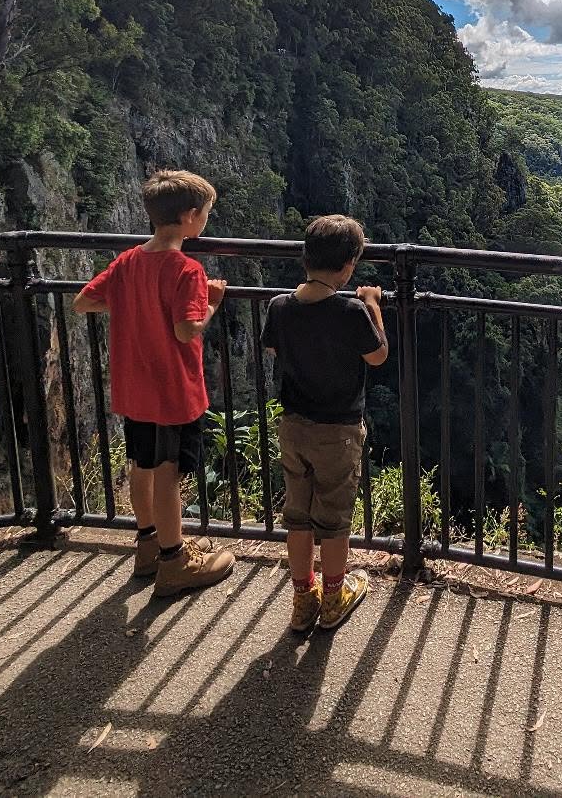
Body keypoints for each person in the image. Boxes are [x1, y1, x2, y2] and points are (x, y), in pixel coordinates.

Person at [73, 169, 236, 597]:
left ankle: (147, 544)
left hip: (134, 385)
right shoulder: (187, 270)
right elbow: (187, 329)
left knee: (141, 464)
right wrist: (214, 304)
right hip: (172, 390)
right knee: (169, 472)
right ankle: (174, 560)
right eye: (205, 215)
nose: (205, 222)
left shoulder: (128, 261)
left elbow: (84, 301)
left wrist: (134, 307)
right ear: (191, 216)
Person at [262, 213, 388, 632]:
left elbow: (277, 352)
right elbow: (378, 355)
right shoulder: (351, 311)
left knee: (297, 516)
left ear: (305, 257)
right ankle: (334, 595)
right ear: (349, 265)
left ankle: (303, 598)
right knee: (334, 519)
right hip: (338, 431)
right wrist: (372, 304)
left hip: (293, 425)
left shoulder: (280, 307)